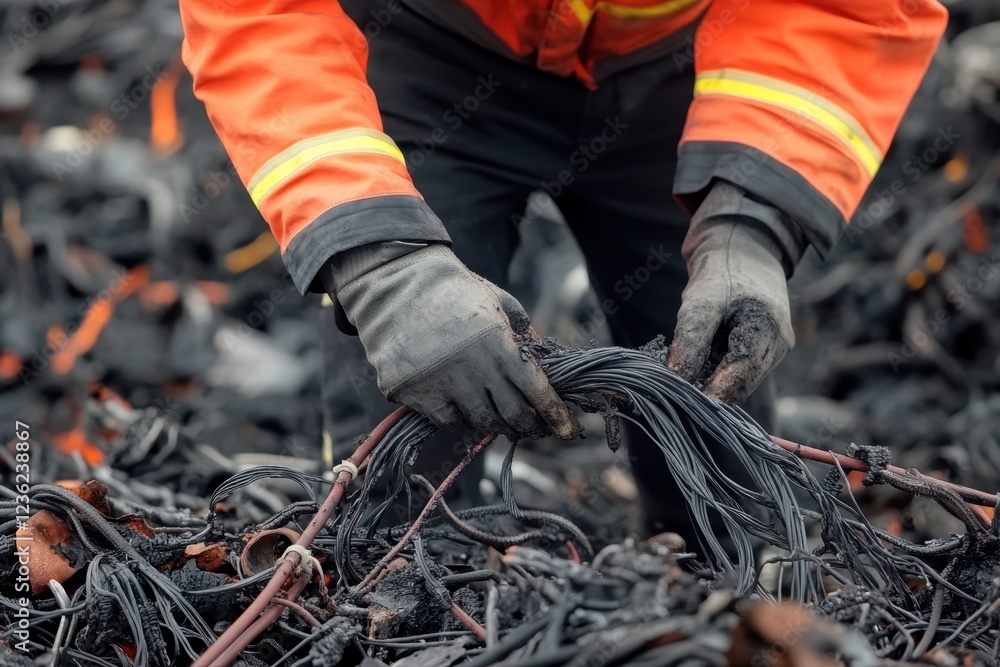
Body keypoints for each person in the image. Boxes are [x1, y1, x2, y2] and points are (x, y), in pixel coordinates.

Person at [178, 0, 947, 544]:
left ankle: (708, 578)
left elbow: (849, 10)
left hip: (690, 76)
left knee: (718, 449)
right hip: (426, 50)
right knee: (402, 488)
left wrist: (752, 221)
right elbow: (256, 14)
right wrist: (380, 261)